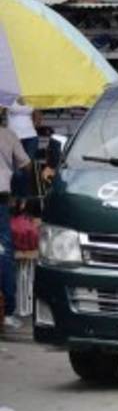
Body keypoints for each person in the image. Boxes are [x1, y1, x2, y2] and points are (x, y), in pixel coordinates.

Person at [0, 112, 32, 332]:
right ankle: (8, 312)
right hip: (1, 199)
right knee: (3, 253)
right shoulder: (8, 135)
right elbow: (27, 165)